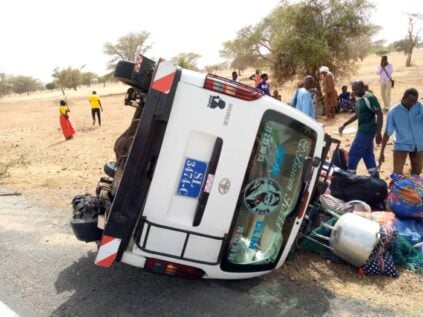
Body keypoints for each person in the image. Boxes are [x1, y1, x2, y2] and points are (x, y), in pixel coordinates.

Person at [338, 80, 383, 176]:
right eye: (353, 90)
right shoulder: (359, 98)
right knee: (368, 155)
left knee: (353, 155)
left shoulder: (369, 98)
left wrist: (379, 133)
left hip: (367, 131)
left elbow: (379, 114)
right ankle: (375, 178)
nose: (354, 92)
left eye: (356, 89)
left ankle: (350, 178)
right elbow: (357, 114)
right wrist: (344, 125)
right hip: (363, 130)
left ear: (363, 88)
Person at [379, 88, 423, 175]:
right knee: (397, 174)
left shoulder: (419, 107)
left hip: (418, 145)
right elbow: (387, 132)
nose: (412, 104)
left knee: (417, 174)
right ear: (403, 98)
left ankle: (413, 188)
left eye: (414, 101)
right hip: (401, 145)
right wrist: (382, 152)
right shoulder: (394, 112)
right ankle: (398, 188)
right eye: (410, 101)